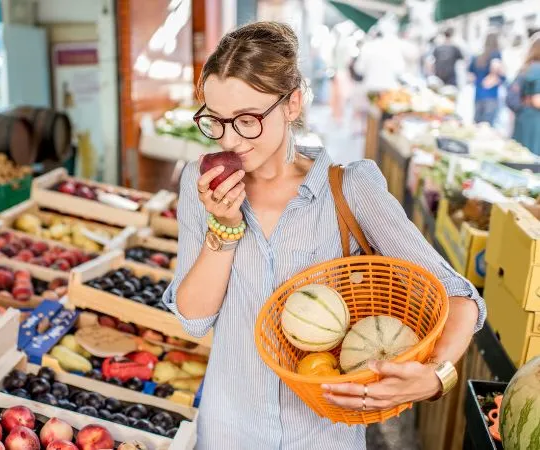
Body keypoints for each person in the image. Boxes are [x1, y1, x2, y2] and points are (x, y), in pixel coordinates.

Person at [164, 21, 485, 449]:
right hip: (227, 430)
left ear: (292, 104)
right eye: (216, 121)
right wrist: (223, 227)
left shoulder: (350, 189)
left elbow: (459, 296)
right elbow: (194, 318)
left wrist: (436, 377)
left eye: (246, 120)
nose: (229, 139)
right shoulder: (199, 183)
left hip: (323, 437)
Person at [511, 34, 540, 155]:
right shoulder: (538, 69)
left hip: (523, 116)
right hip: (534, 120)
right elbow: (537, 100)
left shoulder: (527, 68)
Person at [469, 32, 505, 126]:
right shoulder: (496, 54)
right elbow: (496, 66)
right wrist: (493, 77)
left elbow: (470, 75)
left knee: (477, 124)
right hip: (491, 95)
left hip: (478, 94)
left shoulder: (478, 56)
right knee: (487, 126)